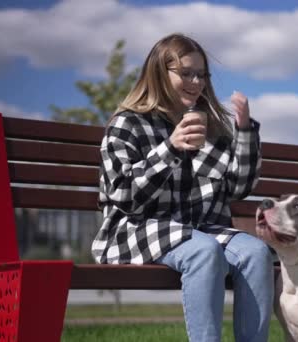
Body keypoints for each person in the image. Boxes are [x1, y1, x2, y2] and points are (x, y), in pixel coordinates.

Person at [91, 33, 273, 342]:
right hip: (138, 227)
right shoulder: (128, 124)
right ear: (160, 72)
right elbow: (123, 196)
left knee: (256, 253)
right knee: (204, 251)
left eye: (201, 74)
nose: (196, 81)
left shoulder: (209, 125)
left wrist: (244, 133)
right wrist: (171, 148)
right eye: (185, 72)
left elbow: (237, 188)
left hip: (198, 228)